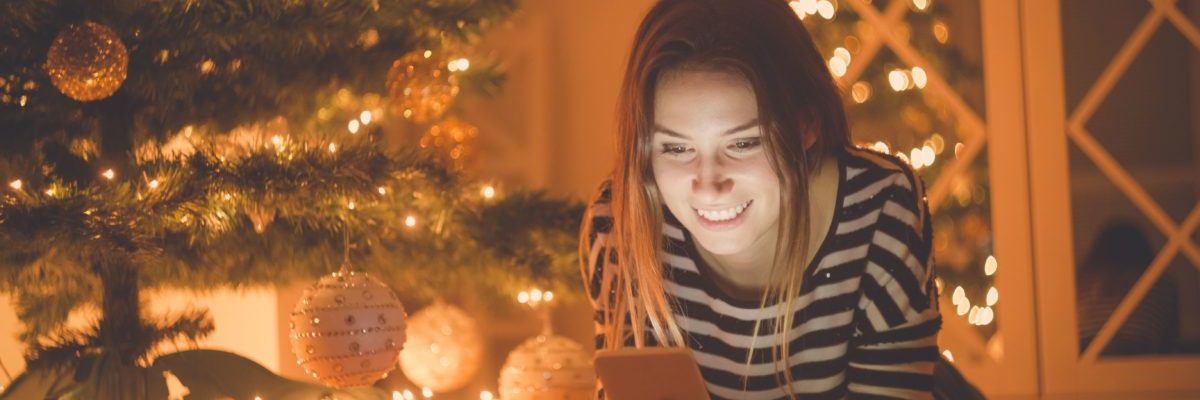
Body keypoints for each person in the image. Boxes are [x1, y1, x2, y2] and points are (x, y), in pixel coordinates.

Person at [579, 0, 942, 398]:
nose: (709, 185)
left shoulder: (879, 208)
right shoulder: (619, 221)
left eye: (744, 142)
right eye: (677, 149)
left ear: (805, 127)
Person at [1076, 220, 1178, 356]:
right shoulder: (1159, 283)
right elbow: (1169, 338)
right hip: (1137, 349)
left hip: (1085, 350)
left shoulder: (1081, 281)